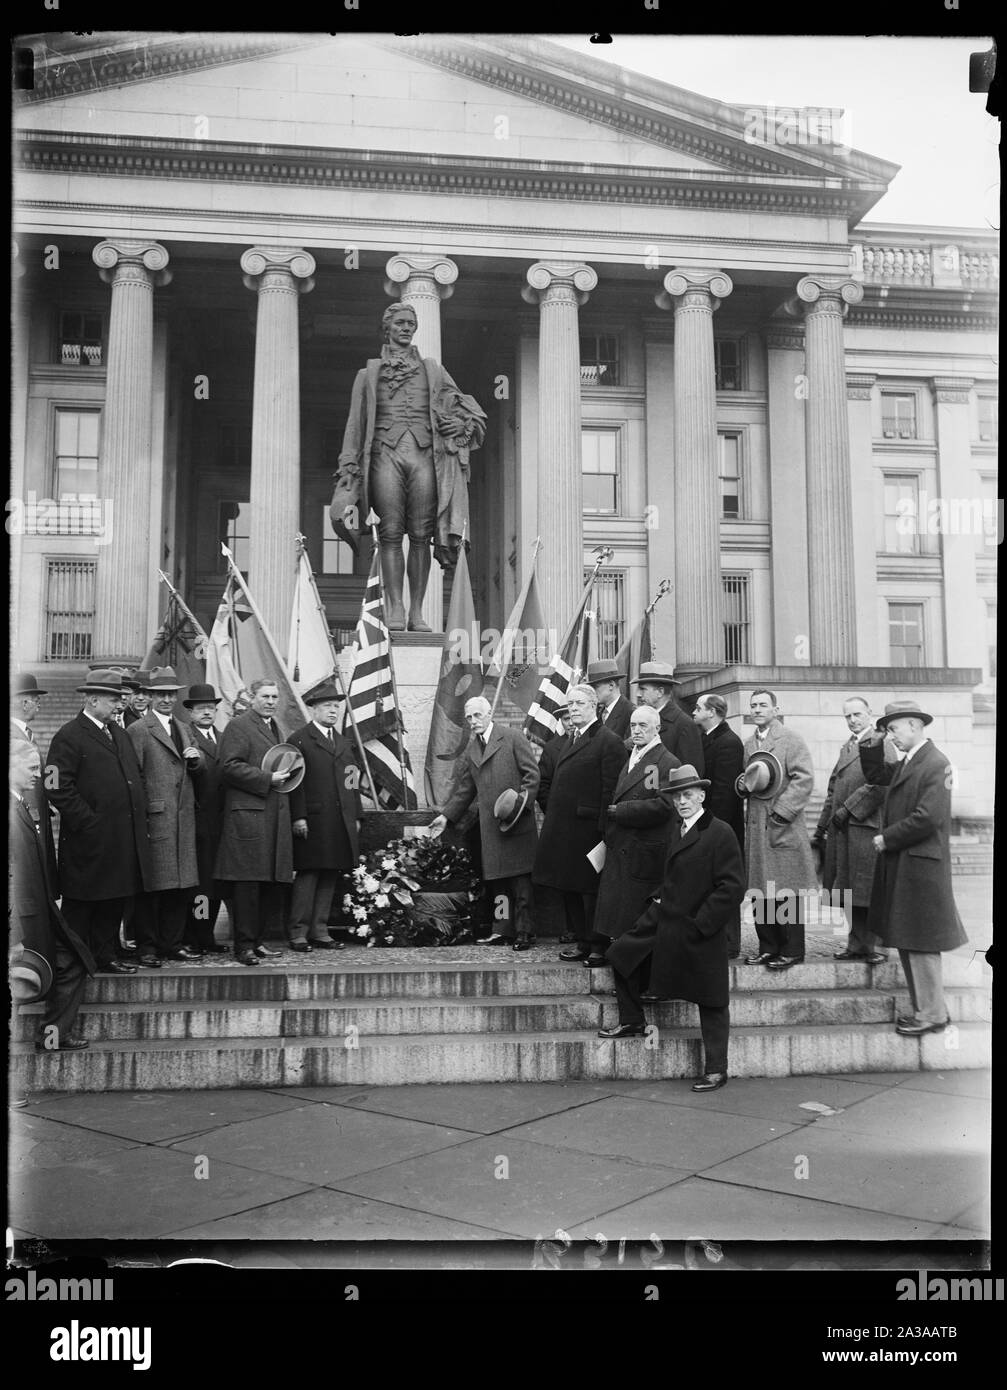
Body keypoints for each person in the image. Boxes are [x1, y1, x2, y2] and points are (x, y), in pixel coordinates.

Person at [331, 302, 486, 631]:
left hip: (424, 455)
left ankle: (417, 611)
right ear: (386, 327)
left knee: (420, 535)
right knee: (389, 533)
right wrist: (348, 466)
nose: (406, 328)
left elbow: (467, 411)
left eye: (411, 323)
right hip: (385, 454)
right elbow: (354, 426)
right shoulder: (367, 374)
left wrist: (461, 427)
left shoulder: (433, 370)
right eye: (400, 323)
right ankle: (396, 608)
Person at [602, 764, 745, 1092]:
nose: (682, 801)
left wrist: (702, 924)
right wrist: (655, 902)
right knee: (621, 953)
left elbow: (732, 888)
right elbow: (669, 878)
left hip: (699, 929)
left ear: (701, 795)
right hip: (665, 918)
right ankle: (633, 1020)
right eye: (676, 796)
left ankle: (716, 1070)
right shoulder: (675, 829)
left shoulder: (720, 832)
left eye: (688, 794)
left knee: (711, 1000)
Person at [861, 700, 968, 1036]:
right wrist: (874, 741)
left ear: (913, 725)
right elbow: (876, 774)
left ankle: (933, 1014)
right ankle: (924, 1009)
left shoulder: (935, 763)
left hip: (920, 865)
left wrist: (886, 838)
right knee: (909, 938)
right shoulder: (912, 761)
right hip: (909, 864)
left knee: (920, 941)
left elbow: (928, 817)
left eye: (893, 729)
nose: (891, 736)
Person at [45, 669, 150, 977]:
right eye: (112, 699)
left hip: (121, 837)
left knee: (113, 899)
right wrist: (88, 821)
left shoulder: (117, 733)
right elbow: (55, 785)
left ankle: (104, 956)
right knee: (82, 903)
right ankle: (70, 962)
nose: (119, 704)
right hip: (88, 841)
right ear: (91, 700)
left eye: (119, 699)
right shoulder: (69, 734)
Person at [429, 694, 540, 951]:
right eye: (469, 717)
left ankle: (525, 932)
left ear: (490, 713)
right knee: (499, 884)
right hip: (491, 830)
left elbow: (532, 775)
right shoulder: (472, 748)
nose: (473, 721)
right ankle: (502, 930)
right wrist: (446, 816)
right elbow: (466, 788)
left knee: (521, 885)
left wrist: (518, 805)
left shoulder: (512, 737)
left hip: (516, 824)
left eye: (477, 715)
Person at [9, 741, 95, 1051]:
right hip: (22, 921)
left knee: (72, 962)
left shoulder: (19, 802)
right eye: (31, 769)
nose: (38, 776)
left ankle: (53, 1035)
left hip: (38, 912)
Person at [534, 683, 627, 962]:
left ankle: (599, 945)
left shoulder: (608, 741)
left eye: (578, 704)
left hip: (590, 832)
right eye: (570, 704)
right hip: (566, 831)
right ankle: (583, 941)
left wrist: (605, 832)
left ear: (594, 707)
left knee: (591, 892)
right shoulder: (571, 739)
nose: (573, 709)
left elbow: (611, 791)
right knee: (571, 889)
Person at [214, 679, 295, 966]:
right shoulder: (239, 726)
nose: (271, 701)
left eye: (275, 696)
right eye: (265, 696)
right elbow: (228, 766)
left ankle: (258, 942)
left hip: (272, 816)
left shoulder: (275, 726)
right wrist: (266, 779)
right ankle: (244, 946)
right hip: (248, 817)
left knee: (267, 885)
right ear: (252, 697)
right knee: (247, 886)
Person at [126, 667, 203, 967]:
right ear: (150, 696)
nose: (166, 699)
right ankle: (147, 947)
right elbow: (135, 777)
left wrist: (197, 762)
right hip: (156, 818)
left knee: (180, 887)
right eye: (160, 694)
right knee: (153, 888)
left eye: (171, 694)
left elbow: (198, 765)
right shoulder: (139, 730)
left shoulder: (183, 727)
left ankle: (172, 943)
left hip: (182, 819)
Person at [812, 696, 896, 965]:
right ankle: (856, 944)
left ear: (870, 714)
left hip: (866, 826)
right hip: (843, 829)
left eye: (858, 714)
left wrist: (848, 810)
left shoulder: (882, 743)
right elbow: (832, 789)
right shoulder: (848, 746)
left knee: (868, 888)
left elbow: (881, 785)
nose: (853, 720)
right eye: (848, 716)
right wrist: (821, 827)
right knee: (850, 889)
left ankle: (875, 947)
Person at [593, 705, 679, 964]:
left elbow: (665, 805)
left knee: (635, 913)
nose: (637, 730)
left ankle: (630, 964)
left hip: (643, 848)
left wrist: (623, 811)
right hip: (623, 843)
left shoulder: (666, 761)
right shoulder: (633, 756)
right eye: (633, 726)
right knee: (618, 910)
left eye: (643, 725)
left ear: (657, 728)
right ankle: (616, 954)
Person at [739, 689, 817, 971]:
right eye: (754, 706)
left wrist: (782, 812)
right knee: (761, 888)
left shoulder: (791, 740)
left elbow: (804, 778)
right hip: (756, 824)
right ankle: (768, 946)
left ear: (775, 709)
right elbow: (748, 779)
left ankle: (793, 949)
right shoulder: (749, 744)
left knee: (787, 888)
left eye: (763, 705)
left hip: (783, 823)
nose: (758, 710)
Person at [287, 684, 362, 952]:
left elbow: (353, 778)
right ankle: (298, 932)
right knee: (308, 875)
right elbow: (294, 782)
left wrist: (356, 814)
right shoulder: (298, 740)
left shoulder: (343, 742)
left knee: (330, 873)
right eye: (327, 706)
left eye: (336, 706)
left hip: (340, 820)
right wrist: (299, 817)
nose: (333, 710)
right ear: (314, 709)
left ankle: (320, 931)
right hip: (313, 820)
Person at [693, 692, 745, 957]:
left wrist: (713, 829)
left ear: (712, 711)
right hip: (709, 824)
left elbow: (724, 792)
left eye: (699, 707)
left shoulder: (728, 742)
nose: (694, 711)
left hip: (721, 827)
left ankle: (730, 943)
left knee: (725, 883)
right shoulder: (708, 738)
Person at [181, 683, 230, 955]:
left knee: (215, 884)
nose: (207, 713)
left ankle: (207, 935)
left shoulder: (224, 737)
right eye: (201, 708)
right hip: (196, 822)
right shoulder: (185, 737)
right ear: (190, 712)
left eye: (211, 708)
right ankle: (195, 936)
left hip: (222, 822)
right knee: (199, 886)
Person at [632, 661, 705, 773]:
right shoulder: (638, 720)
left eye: (643, 689)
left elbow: (691, 774)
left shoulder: (684, 725)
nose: (638, 694)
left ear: (660, 692)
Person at [585, 660, 634, 740]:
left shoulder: (630, 712)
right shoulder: (597, 713)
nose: (592, 692)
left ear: (611, 685)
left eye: (595, 687)